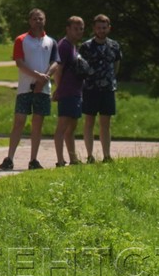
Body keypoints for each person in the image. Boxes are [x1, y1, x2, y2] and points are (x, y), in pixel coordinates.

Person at [0, 8, 55, 171]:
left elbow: (55, 63)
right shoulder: (21, 40)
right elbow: (19, 62)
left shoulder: (51, 42)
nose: (38, 21)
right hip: (25, 88)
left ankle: (34, 159)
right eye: (35, 19)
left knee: (37, 123)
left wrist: (45, 77)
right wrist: (36, 76)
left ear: (45, 21)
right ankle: (9, 158)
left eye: (41, 19)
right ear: (29, 21)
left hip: (43, 90)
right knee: (19, 121)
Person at [78, 14, 123, 163]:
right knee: (89, 121)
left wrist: (110, 79)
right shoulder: (86, 47)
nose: (101, 30)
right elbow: (81, 68)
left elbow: (116, 65)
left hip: (108, 89)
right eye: (98, 28)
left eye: (104, 28)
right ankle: (90, 155)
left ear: (109, 28)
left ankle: (106, 155)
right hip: (90, 89)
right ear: (94, 29)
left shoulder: (114, 46)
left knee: (105, 123)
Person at [49, 15, 87, 167]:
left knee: (72, 128)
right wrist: (59, 89)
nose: (79, 32)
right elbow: (59, 69)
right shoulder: (64, 46)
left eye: (81, 29)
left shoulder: (73, 46)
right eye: (75, 29)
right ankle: (60, 160)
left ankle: (73, 159)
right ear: (68, 29)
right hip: (67, 92)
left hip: (76, 92)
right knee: (62, 127)